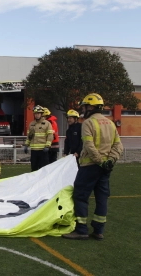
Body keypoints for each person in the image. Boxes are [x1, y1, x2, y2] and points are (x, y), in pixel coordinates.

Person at [62, 93, 123, 241]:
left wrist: (99, 160)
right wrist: (109, 161)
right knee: (102, 197)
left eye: (84, 106)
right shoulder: (110, 123)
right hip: (106, 167)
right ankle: (98, 230)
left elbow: (88, 145)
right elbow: (118, 145)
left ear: (91, 107)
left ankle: (81, 230)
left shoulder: (88, 123)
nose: (83, 109)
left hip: (90, 166)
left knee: (80, 195)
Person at [24, 105, 53, 172]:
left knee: (44, 169)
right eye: (35, 114)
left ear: (41, 114)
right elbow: (29, 136)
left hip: (43, 150)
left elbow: (50, 136)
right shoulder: (31, 124)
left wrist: (47, 146)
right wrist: (26, 145)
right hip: (34, 150)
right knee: (34, 169)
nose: (37, 115)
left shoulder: (47, 124)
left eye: (38, 113)